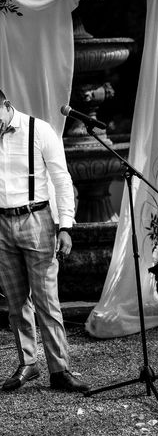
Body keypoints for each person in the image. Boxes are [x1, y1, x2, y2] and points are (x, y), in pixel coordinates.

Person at [0, 89, 89, 392]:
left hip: (37, 220)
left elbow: (62, 178)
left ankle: (60, 370)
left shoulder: (39, 130)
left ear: (7, 105)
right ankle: (28, 363)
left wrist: (66, 226)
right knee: (15, 302)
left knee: (46, 300)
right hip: (1, 224)